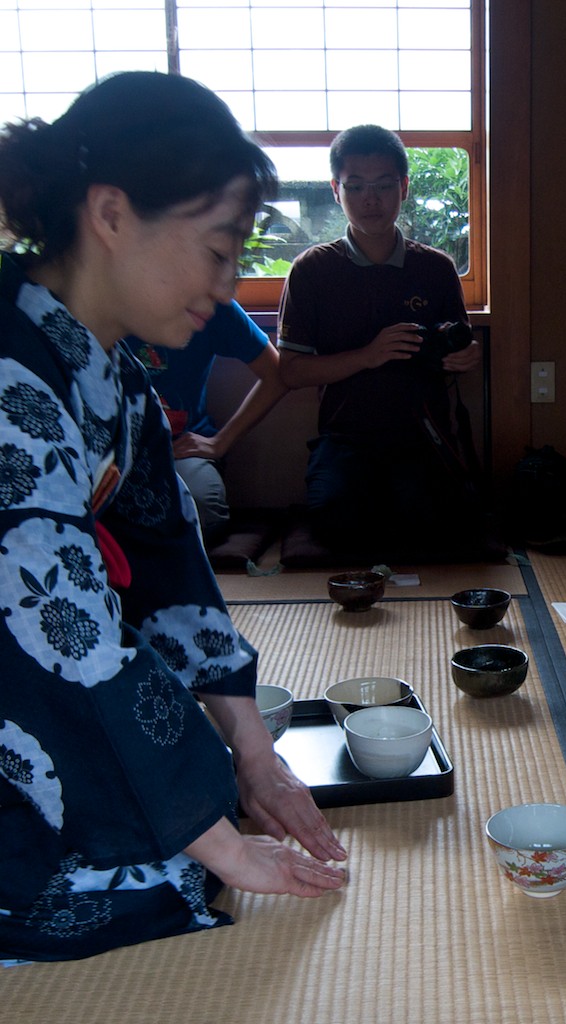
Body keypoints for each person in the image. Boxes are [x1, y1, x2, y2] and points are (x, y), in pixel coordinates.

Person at [0, 70, 347, 963]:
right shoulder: (10, 372)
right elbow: (61, 623)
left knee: (180, 831)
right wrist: (218, 837)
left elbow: (170, 567)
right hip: (24, 666)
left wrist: (252, 751)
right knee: (147, 868)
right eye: (219, 249)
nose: (229, 283)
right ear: (111, 214)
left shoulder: (117, 379)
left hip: (41, 667)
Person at [277, 124, 491, 564]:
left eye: (383, 185)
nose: (370, 199)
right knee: (337, 521)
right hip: (346, 437)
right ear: (336, 190)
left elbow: (459, 344)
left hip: (422, 434)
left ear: (404, 187)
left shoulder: (434, 268)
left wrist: (465, 357)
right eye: (355, 186)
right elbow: (291, 371)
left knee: (435, 522)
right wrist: (368, 356)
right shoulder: (312, 270)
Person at [129, 300, 287, 545]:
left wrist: (220, 442)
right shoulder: (103, 299)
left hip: (181, 449)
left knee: (203, 510)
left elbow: (276, 373)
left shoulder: (210, 302)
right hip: (113, 448)